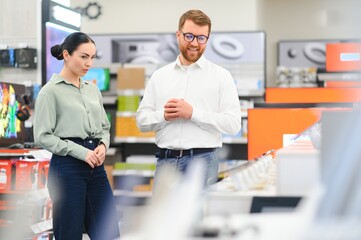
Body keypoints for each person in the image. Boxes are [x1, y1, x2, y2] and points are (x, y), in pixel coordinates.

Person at [136, 9, 242, 187]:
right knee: (163, 215)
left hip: (202, 163)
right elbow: (141, 121)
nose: (195, 43)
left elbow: (233, 124)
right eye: (189, 36)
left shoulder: (221, 76)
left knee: (198, 215)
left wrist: (193, 113)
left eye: (201, 38)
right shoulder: (160, 76)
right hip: (165, 163)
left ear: (208, 38)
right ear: (178, 35)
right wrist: (163, 115)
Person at [33, 32, 120, 240]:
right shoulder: (49, 92)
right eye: (84, 56)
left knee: (108, 232)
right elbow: (43, 136)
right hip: (67, 168)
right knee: (69, 233)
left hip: (96, 167)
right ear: (66, 55)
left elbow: (104, 128)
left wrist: (103, 146)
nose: (89, 63)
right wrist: (81, 152)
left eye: (92, 57)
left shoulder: (93, 90)